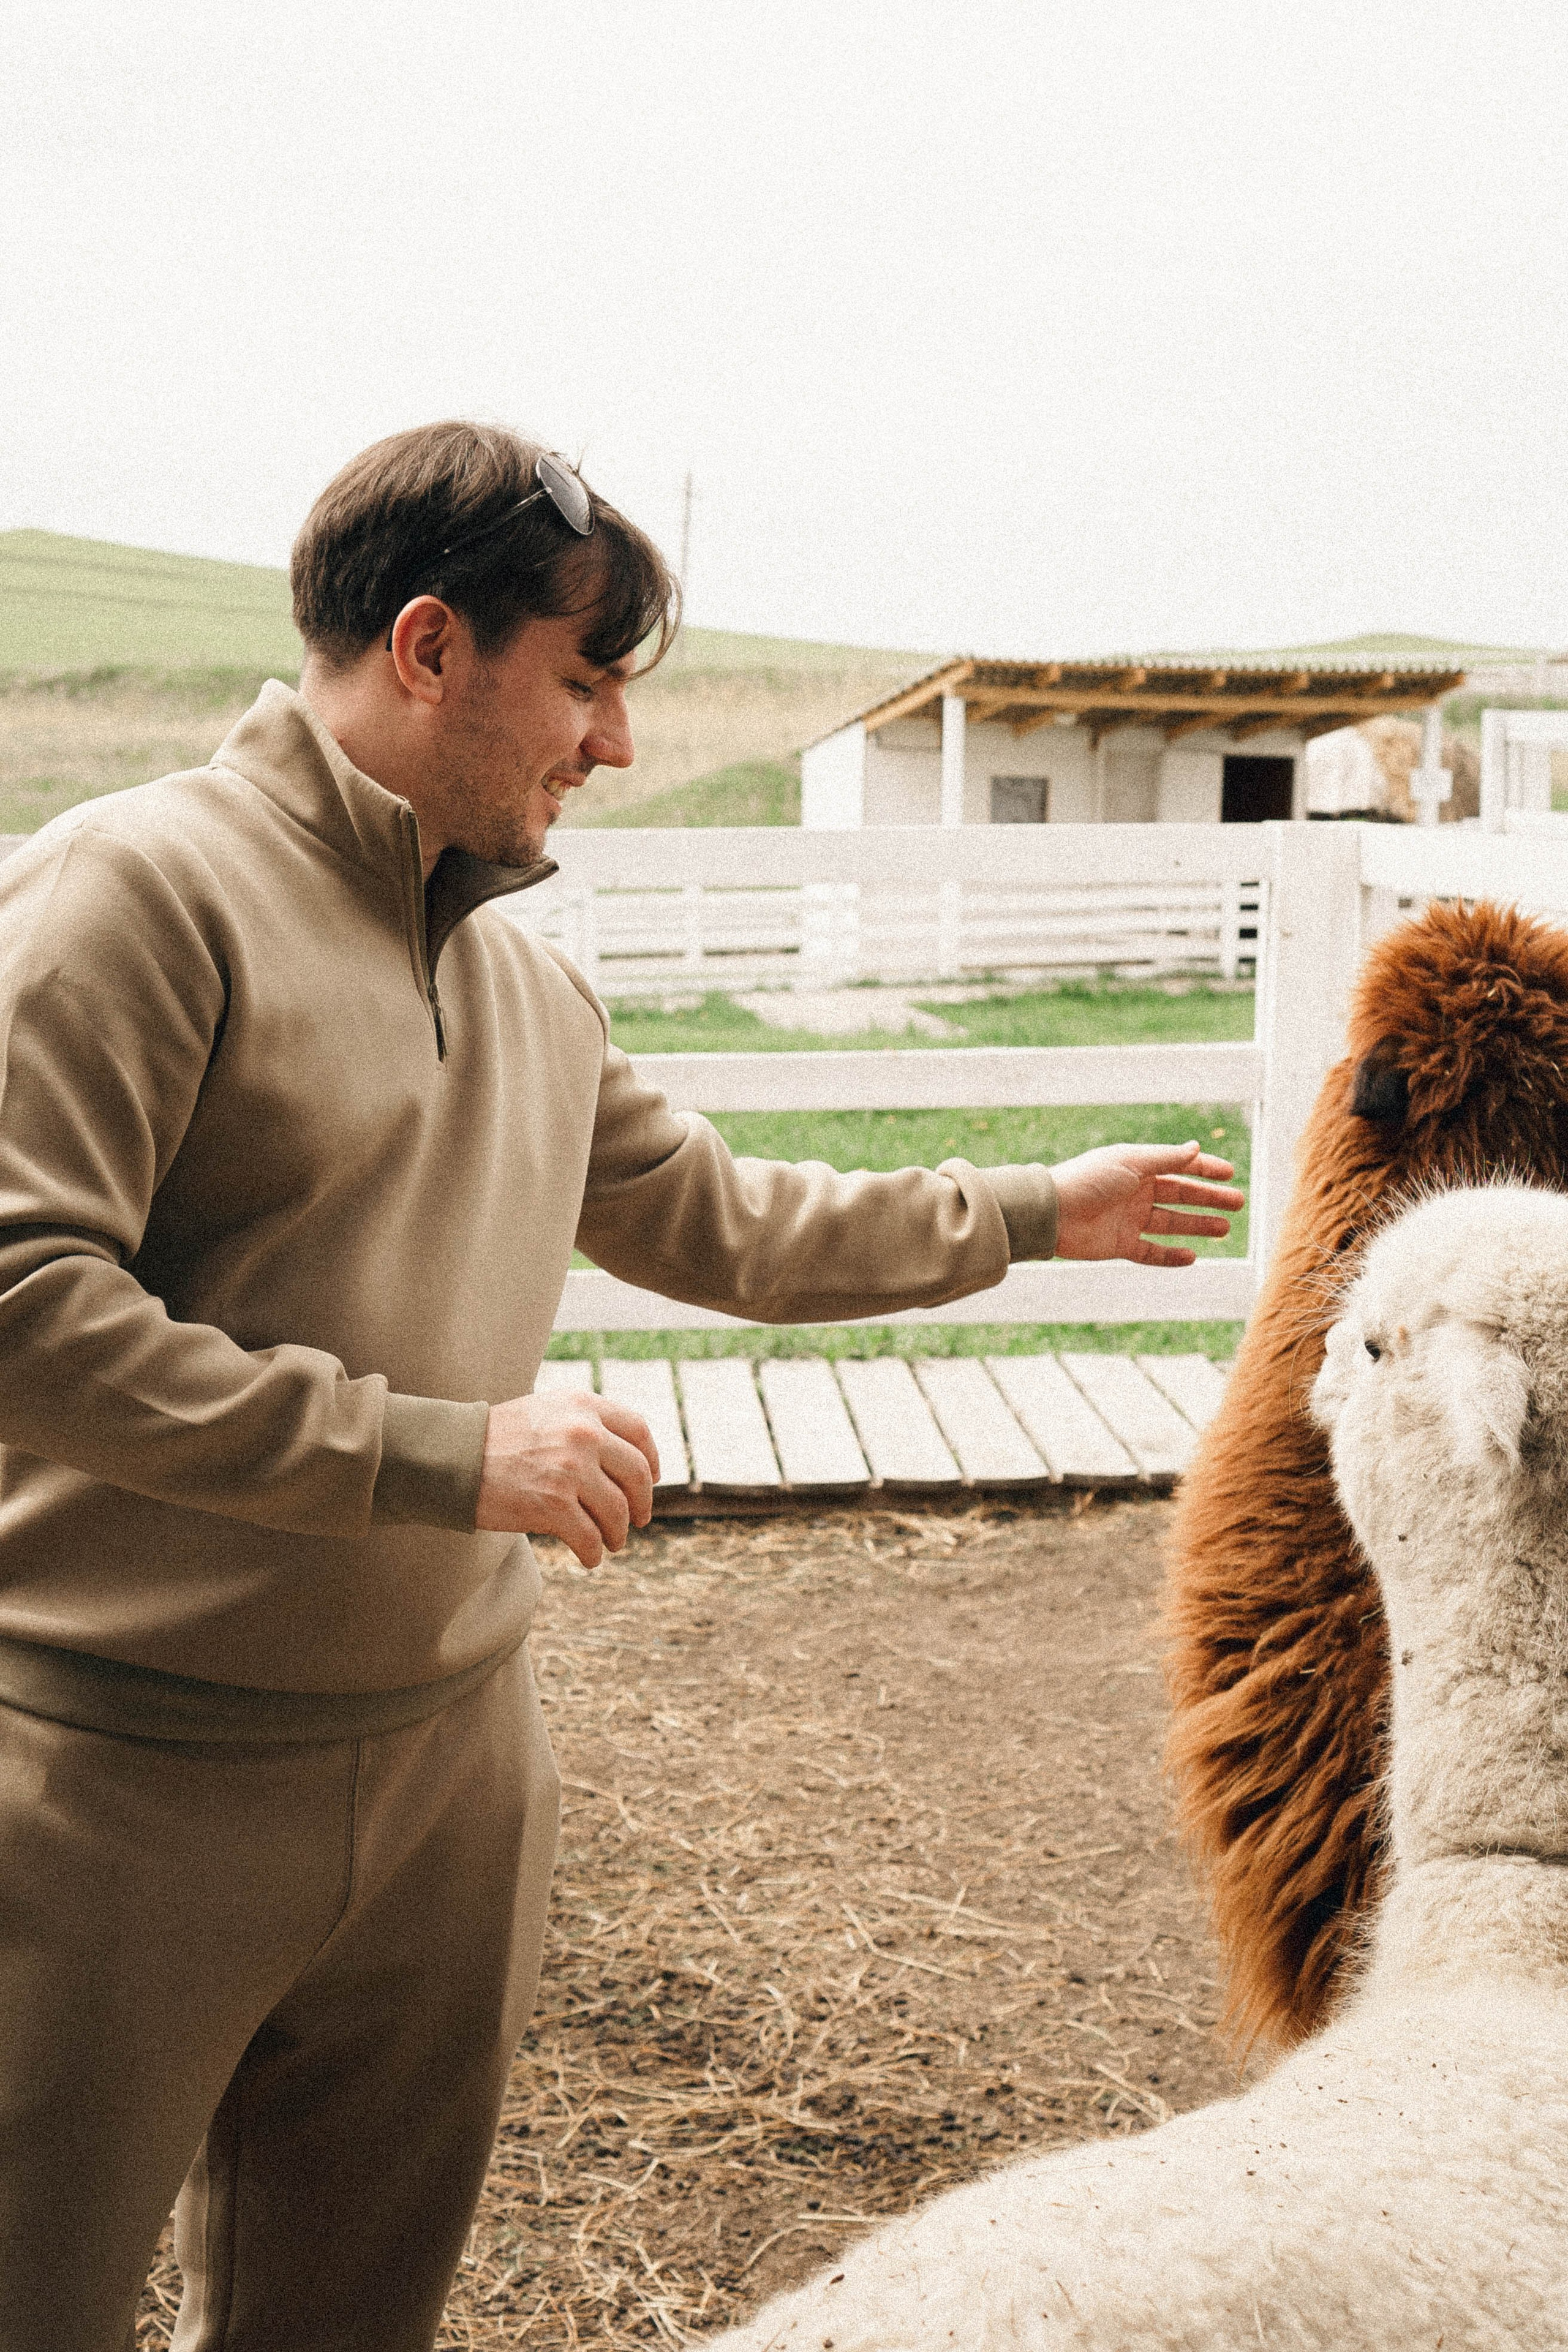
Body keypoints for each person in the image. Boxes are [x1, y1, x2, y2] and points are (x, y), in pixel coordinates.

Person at [0, 420, 1242, 2351]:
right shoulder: (133, 893)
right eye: (586, 681)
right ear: (430, 648)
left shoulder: (531, 986)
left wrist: (1030, 1213)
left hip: (456, 1781)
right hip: (119, 1781)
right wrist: (439, 1455)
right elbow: (22, 1303)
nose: (619, 743)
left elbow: (729, 1224)